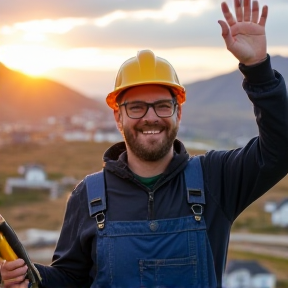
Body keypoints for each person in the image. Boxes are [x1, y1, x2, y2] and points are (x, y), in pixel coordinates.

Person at [1, 0, 288, 287]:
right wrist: (27, 277)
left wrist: (257, 69)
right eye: (136, 107)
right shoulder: (87, 196)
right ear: (118, 116)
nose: (151, 118)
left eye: (163, 106)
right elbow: (69, 280)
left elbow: (280, 149)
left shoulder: (216, 178)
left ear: (179, 112)